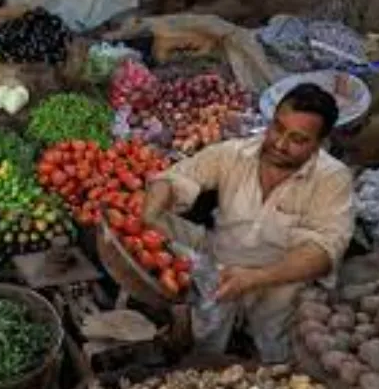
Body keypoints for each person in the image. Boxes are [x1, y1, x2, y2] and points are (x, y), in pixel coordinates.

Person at [142, 83, 355, 362]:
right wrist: (152, 210)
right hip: (220, 258)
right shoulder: (235, 154)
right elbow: (177, 176)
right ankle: (196, 340)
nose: (280, 144)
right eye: (277, 128)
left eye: (297, 139)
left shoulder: (333, 179)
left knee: (275, 355)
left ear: (319, 144)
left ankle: (260, 349)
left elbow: (324, 251)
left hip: (280, 279)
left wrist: (256, 278)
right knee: (160, 224)